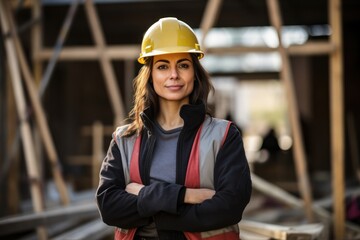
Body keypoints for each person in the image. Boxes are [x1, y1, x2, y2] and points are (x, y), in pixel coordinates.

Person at [96, 17, 252, 240]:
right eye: (162, 66)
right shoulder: (124, 139)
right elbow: (109, 206)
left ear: (194, 72)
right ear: (150, 75)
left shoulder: (224, 135)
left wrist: (144, 198)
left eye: (183, 65)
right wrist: (187, 195)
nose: (173, 75)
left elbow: (229, 207)